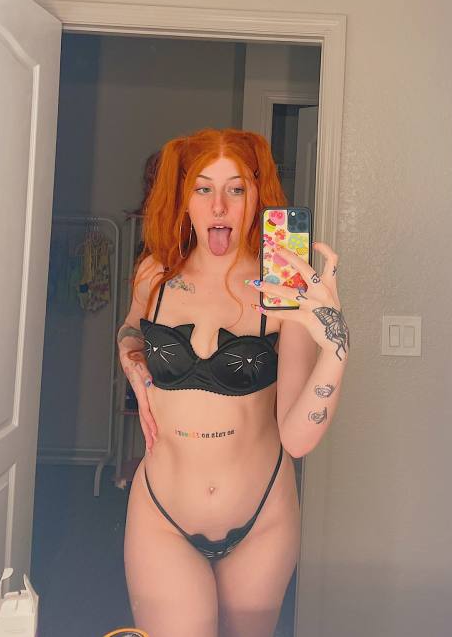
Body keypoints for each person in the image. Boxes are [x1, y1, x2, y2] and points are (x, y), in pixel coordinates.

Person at [117, 128, 350, 637]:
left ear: (257, 197)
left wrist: (335, 345)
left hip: (262, 520)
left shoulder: (281, 289)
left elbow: (297, 439)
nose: (219, 205)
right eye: (203, 188)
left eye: (236, 189)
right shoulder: (154, 276)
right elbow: (132, 327)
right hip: (163, 515)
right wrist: (131, 359)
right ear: (184, 199)